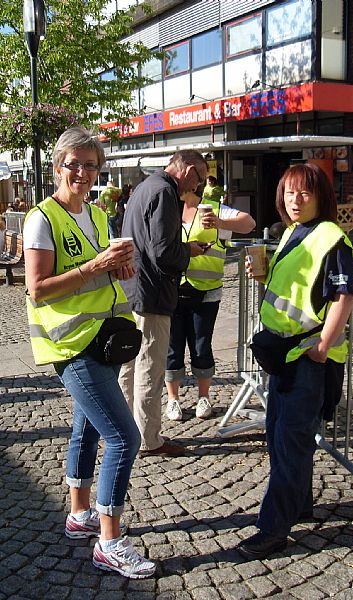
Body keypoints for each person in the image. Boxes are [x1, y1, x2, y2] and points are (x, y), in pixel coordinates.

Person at [23, 126, 155, 579]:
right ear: (58, 166)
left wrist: (120, 267)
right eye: (73, 164)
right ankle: (110, 541)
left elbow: (104, 276)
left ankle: (80, 515)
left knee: (88, 430)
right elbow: (37, 288)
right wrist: (94, 265)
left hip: (102, 339)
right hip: (70, 346)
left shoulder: (99, 216)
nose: (82, 172)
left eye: (91, 165)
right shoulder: (42, 218)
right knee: (125, 437)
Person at [237, 163, 353, 560]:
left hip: (308, 358)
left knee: (289, 441)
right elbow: (298, 292)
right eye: (289, 192)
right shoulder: (292, 231)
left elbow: (344, 296)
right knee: (281, 436)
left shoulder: (331, 237)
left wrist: (323, 345)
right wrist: (263, 278)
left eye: (304, 193)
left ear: (321, 196)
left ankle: (272, 529)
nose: (295, 200)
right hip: (286, 354)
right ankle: (300, 505)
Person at [118, 150, 208, 457]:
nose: (196, 189)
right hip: (152, 293)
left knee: (130, 366)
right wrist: (190, 251)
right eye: (200, 180)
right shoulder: (166, 192)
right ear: (188, 170)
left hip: (133, 289)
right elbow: (164, 252)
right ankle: (148, 440)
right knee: (149, 368)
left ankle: (126, 432)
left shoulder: (146, 186)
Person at [165, 190, 256, 421]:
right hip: (172, 289)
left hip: (206, 289)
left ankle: (203, 396)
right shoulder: (168, 208)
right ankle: (173, 399)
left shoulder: (214, 209)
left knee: (201, 345)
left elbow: (249, 223)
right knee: (172, 347)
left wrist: (220, 222)